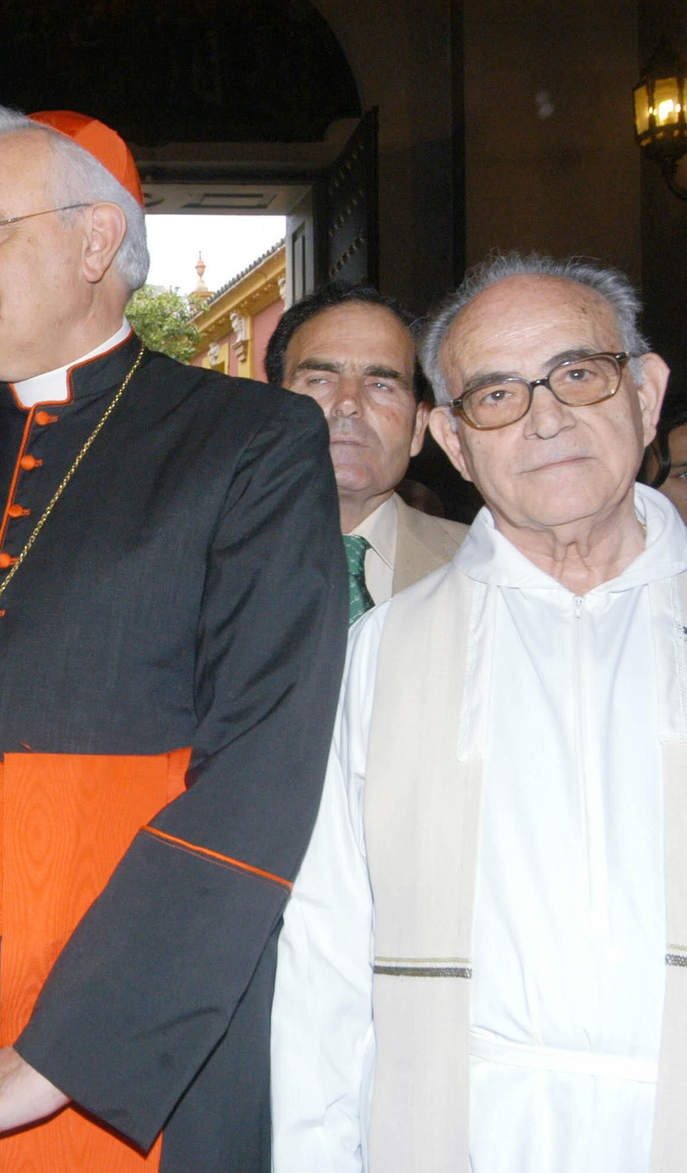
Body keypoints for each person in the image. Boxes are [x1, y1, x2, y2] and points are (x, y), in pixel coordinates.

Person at [0, 104, 345, 1172]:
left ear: (95, 242)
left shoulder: (251, 445)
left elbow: (263, 769)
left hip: (132, 1037)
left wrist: (68, 1052)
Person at [272, 254, 682, 1171]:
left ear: (647, 394)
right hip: (451, 1130)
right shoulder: (389, 649)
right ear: (454, 442)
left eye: (580, 373)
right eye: (497, 394)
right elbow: (327, 961)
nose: (546, 419)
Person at [265, 282, 467, 621]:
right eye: (319, 379)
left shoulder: (485, 567)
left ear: (419, 428)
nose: (348, 403)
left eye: (380, 384)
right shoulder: (196, 562)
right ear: (270, 412)